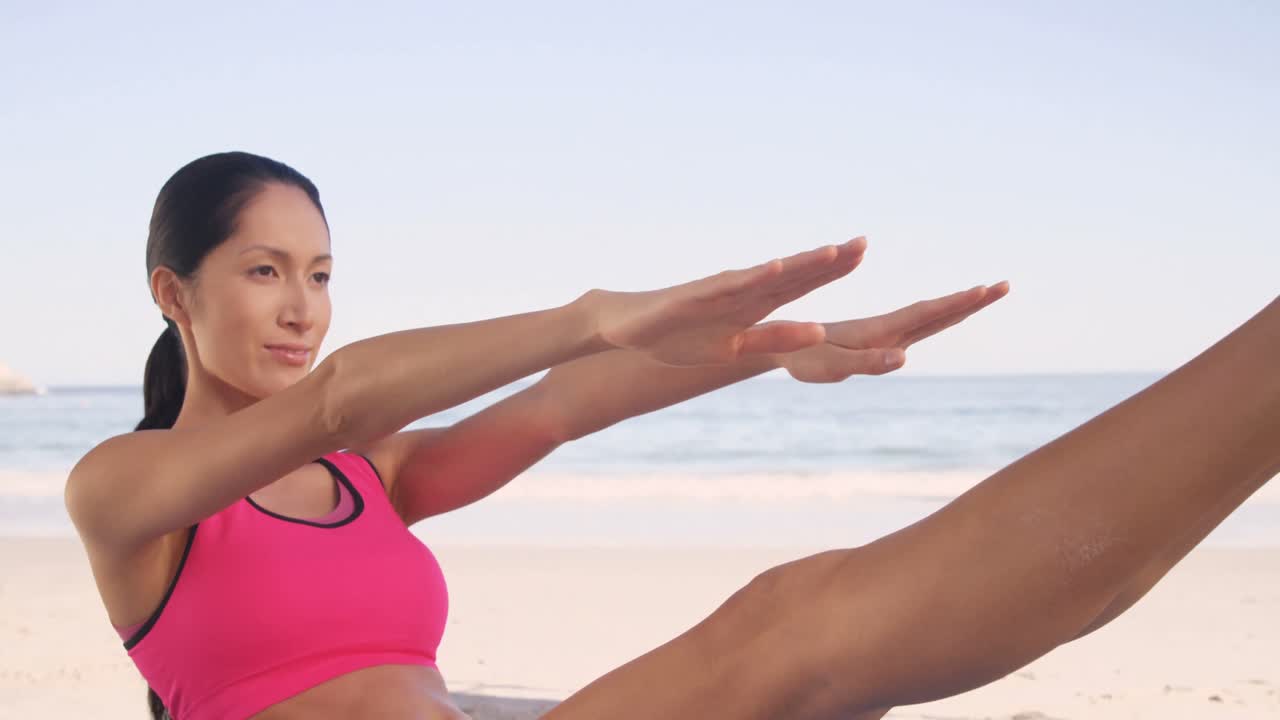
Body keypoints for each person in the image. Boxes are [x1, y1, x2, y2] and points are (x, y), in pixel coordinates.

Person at [63, 151, 1278, 720]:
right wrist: (589, 316)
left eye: (320, 273)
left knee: (795, 622)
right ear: (174, 292)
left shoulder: (367, 477)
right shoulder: (127, 491)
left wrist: (782, 344)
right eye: (263, 271)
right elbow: (345, 393)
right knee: (787, 638)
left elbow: (556, 407)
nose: (301, 307)